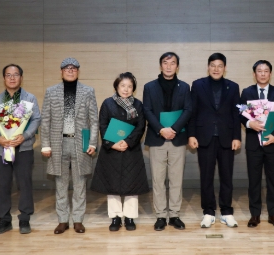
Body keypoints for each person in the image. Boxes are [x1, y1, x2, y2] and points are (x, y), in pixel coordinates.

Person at [40, 57, 98, 235]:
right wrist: (45, 144)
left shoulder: (88, 91)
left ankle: (78, 220)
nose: (70, 71)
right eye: (67, 68)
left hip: (80, 142)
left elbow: (94, 120)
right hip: (58, 143)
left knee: (80, 183)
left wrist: (93, 142)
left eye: (74, 68)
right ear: (61, 71)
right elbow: (45, 120)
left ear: (78, 71)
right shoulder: (51, 91)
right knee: (61, 184)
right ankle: (62, 220)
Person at [91, 72, 150, 231]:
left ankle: (130, 217)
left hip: (131, 149)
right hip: (112, 150)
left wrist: (128, 142)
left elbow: (140, 126)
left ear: (133, 88)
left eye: (129, 86)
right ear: (116, 86)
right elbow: (102, 125)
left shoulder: (138, 105)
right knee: (112, 184)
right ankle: (115, 217)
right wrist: (112, 144)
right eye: (123, 85)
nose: (126, 89)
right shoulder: (108, 103)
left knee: (132, 184)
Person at [0, 64, 41, 235]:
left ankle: (25, 218)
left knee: (24, 184)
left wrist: (24, 136)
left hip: (23, 148)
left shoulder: (29, 98)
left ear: (21, 78)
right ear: (4, 78)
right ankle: (4, 220)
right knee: (3, 185)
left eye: (15, 74)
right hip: (2, 148)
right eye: (8, 75)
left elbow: (36, 119)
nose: (12, 78)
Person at [188, 53, 241, 228]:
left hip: (227, 138)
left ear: (225, 68)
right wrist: (191, 135)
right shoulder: (198, 85)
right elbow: (192, 112)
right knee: (206, 177)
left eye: (220, 66)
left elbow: (236, 114)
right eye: (213, 65)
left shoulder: (233, 87)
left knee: (227, 176)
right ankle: (208, 212)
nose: (216, 69)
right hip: (204, 137)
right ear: (208, 67)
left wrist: (237, 137)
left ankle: (226, 212)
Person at [142, 52, 191, 231]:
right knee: (158, 180)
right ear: (160, 65)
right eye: (165, 62)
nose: (169, 66)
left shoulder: (184, 87)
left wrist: (174, 129)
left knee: (176, 179)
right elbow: (147, 110)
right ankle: (161, 216)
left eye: (172, 63)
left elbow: (188, 110)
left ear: (177, 66)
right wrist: (161, 129)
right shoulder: (149, 87)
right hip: (157, 138)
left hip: (178, 138)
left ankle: (175, 214)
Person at [239, 60, 274, 228]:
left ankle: (273, 214)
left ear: (270, 73)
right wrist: (249, 124)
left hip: (272, 143)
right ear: (254, 74)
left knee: (273, 180)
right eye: (259, 71)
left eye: (266, 71)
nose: (262, 74)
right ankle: (255, 214)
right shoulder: (247, 92)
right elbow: (240, 114)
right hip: (253, 143)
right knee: (254, 180)